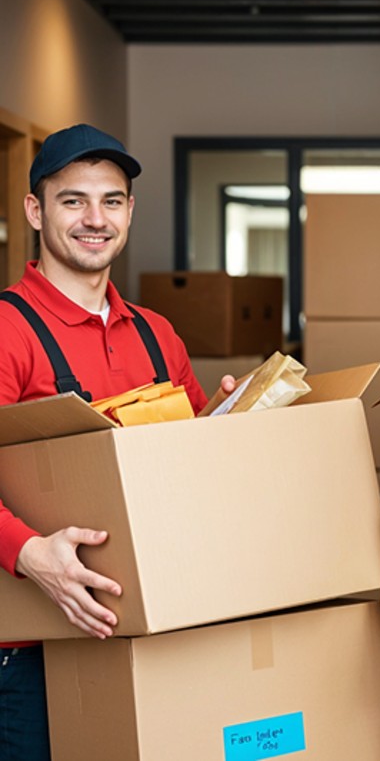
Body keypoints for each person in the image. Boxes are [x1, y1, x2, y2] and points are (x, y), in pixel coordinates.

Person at [0, 124, 232, 760]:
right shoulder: (7, 331)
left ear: (130, 210)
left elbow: (189, 466)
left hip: (157, 633)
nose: (94, 219)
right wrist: (28, 554)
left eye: (111, 200)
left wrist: (234, 417)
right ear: (35, 210)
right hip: (33, 658)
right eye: (72, 200)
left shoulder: (157, 335)